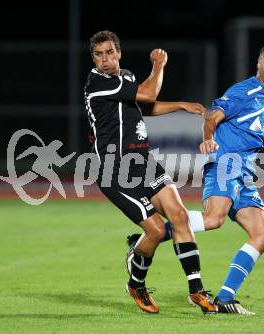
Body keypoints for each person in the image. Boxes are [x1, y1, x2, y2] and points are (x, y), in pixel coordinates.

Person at [128, 42, 264, 314]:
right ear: (259, 64)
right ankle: (147, 240)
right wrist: (207, 139)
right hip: (226, 163)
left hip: (246, 173)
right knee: (214, 219)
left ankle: (225, 298)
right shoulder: (243, 91)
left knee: (262, 236)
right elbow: (212, 117)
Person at [84, 30, 217, 314]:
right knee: (156, 231)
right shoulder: (97, 83)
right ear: (93, 59)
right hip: (115, 171)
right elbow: (149, 92)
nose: (105, 59)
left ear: (118, 53)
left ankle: (197, 291)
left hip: (143, 162)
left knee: (179, 215)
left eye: (109, 52)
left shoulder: (127, 78)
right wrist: (159, 65)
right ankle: (136, 283)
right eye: (99, 54)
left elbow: (145, 105)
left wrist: (180, 105)